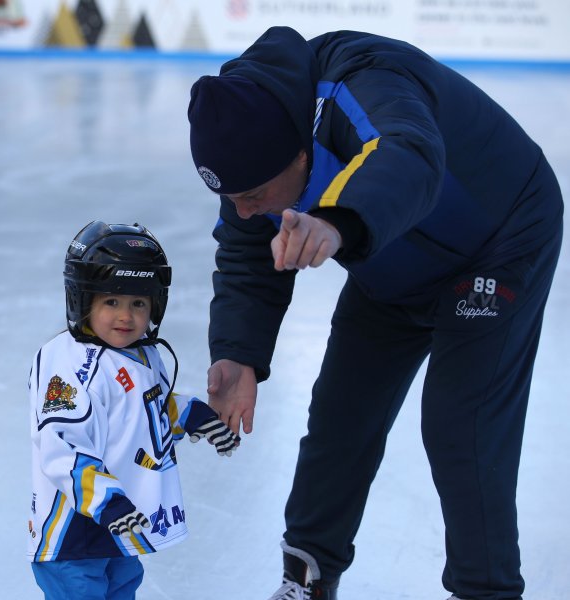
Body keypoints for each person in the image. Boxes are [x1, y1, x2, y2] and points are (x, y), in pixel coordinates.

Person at [186, 25, 564, 600]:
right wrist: (237, 352)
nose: (245, 210)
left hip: (501, 238)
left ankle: (487, 591)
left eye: (255, 196)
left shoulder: (361, 78)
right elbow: (245, 248)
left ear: (298, 150)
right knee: (341, 414)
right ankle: (307, 575)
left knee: (461, 422)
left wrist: (340, 223)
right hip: (390, 256)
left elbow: (408, 152)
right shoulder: (250, 140)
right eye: (233, 198)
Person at [27, 220, 240, 599]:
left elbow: (141, 414)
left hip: (122, 527)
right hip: (74, 534)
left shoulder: (143, 354)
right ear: (82, 299)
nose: (126, 316)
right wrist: (108, 503)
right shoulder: (69, 362)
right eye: (112, 302)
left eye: (137, 303)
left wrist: (194, 416)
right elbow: (62, 447)